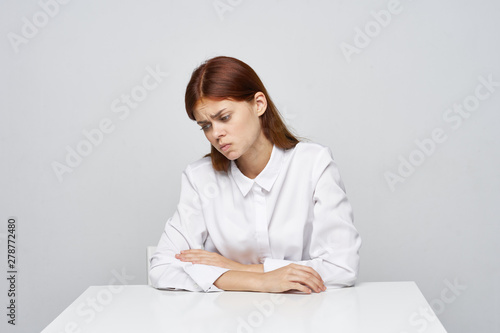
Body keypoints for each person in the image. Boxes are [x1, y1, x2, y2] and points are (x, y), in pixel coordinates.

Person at [149, 56, 361, 293]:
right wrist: (259, 281)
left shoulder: (313, 164)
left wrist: (235, 268)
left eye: (224, 117)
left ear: (258, 104)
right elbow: (162, 267)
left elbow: (341, 267)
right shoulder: (199, 178)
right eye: (205, 126)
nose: (216, 133)